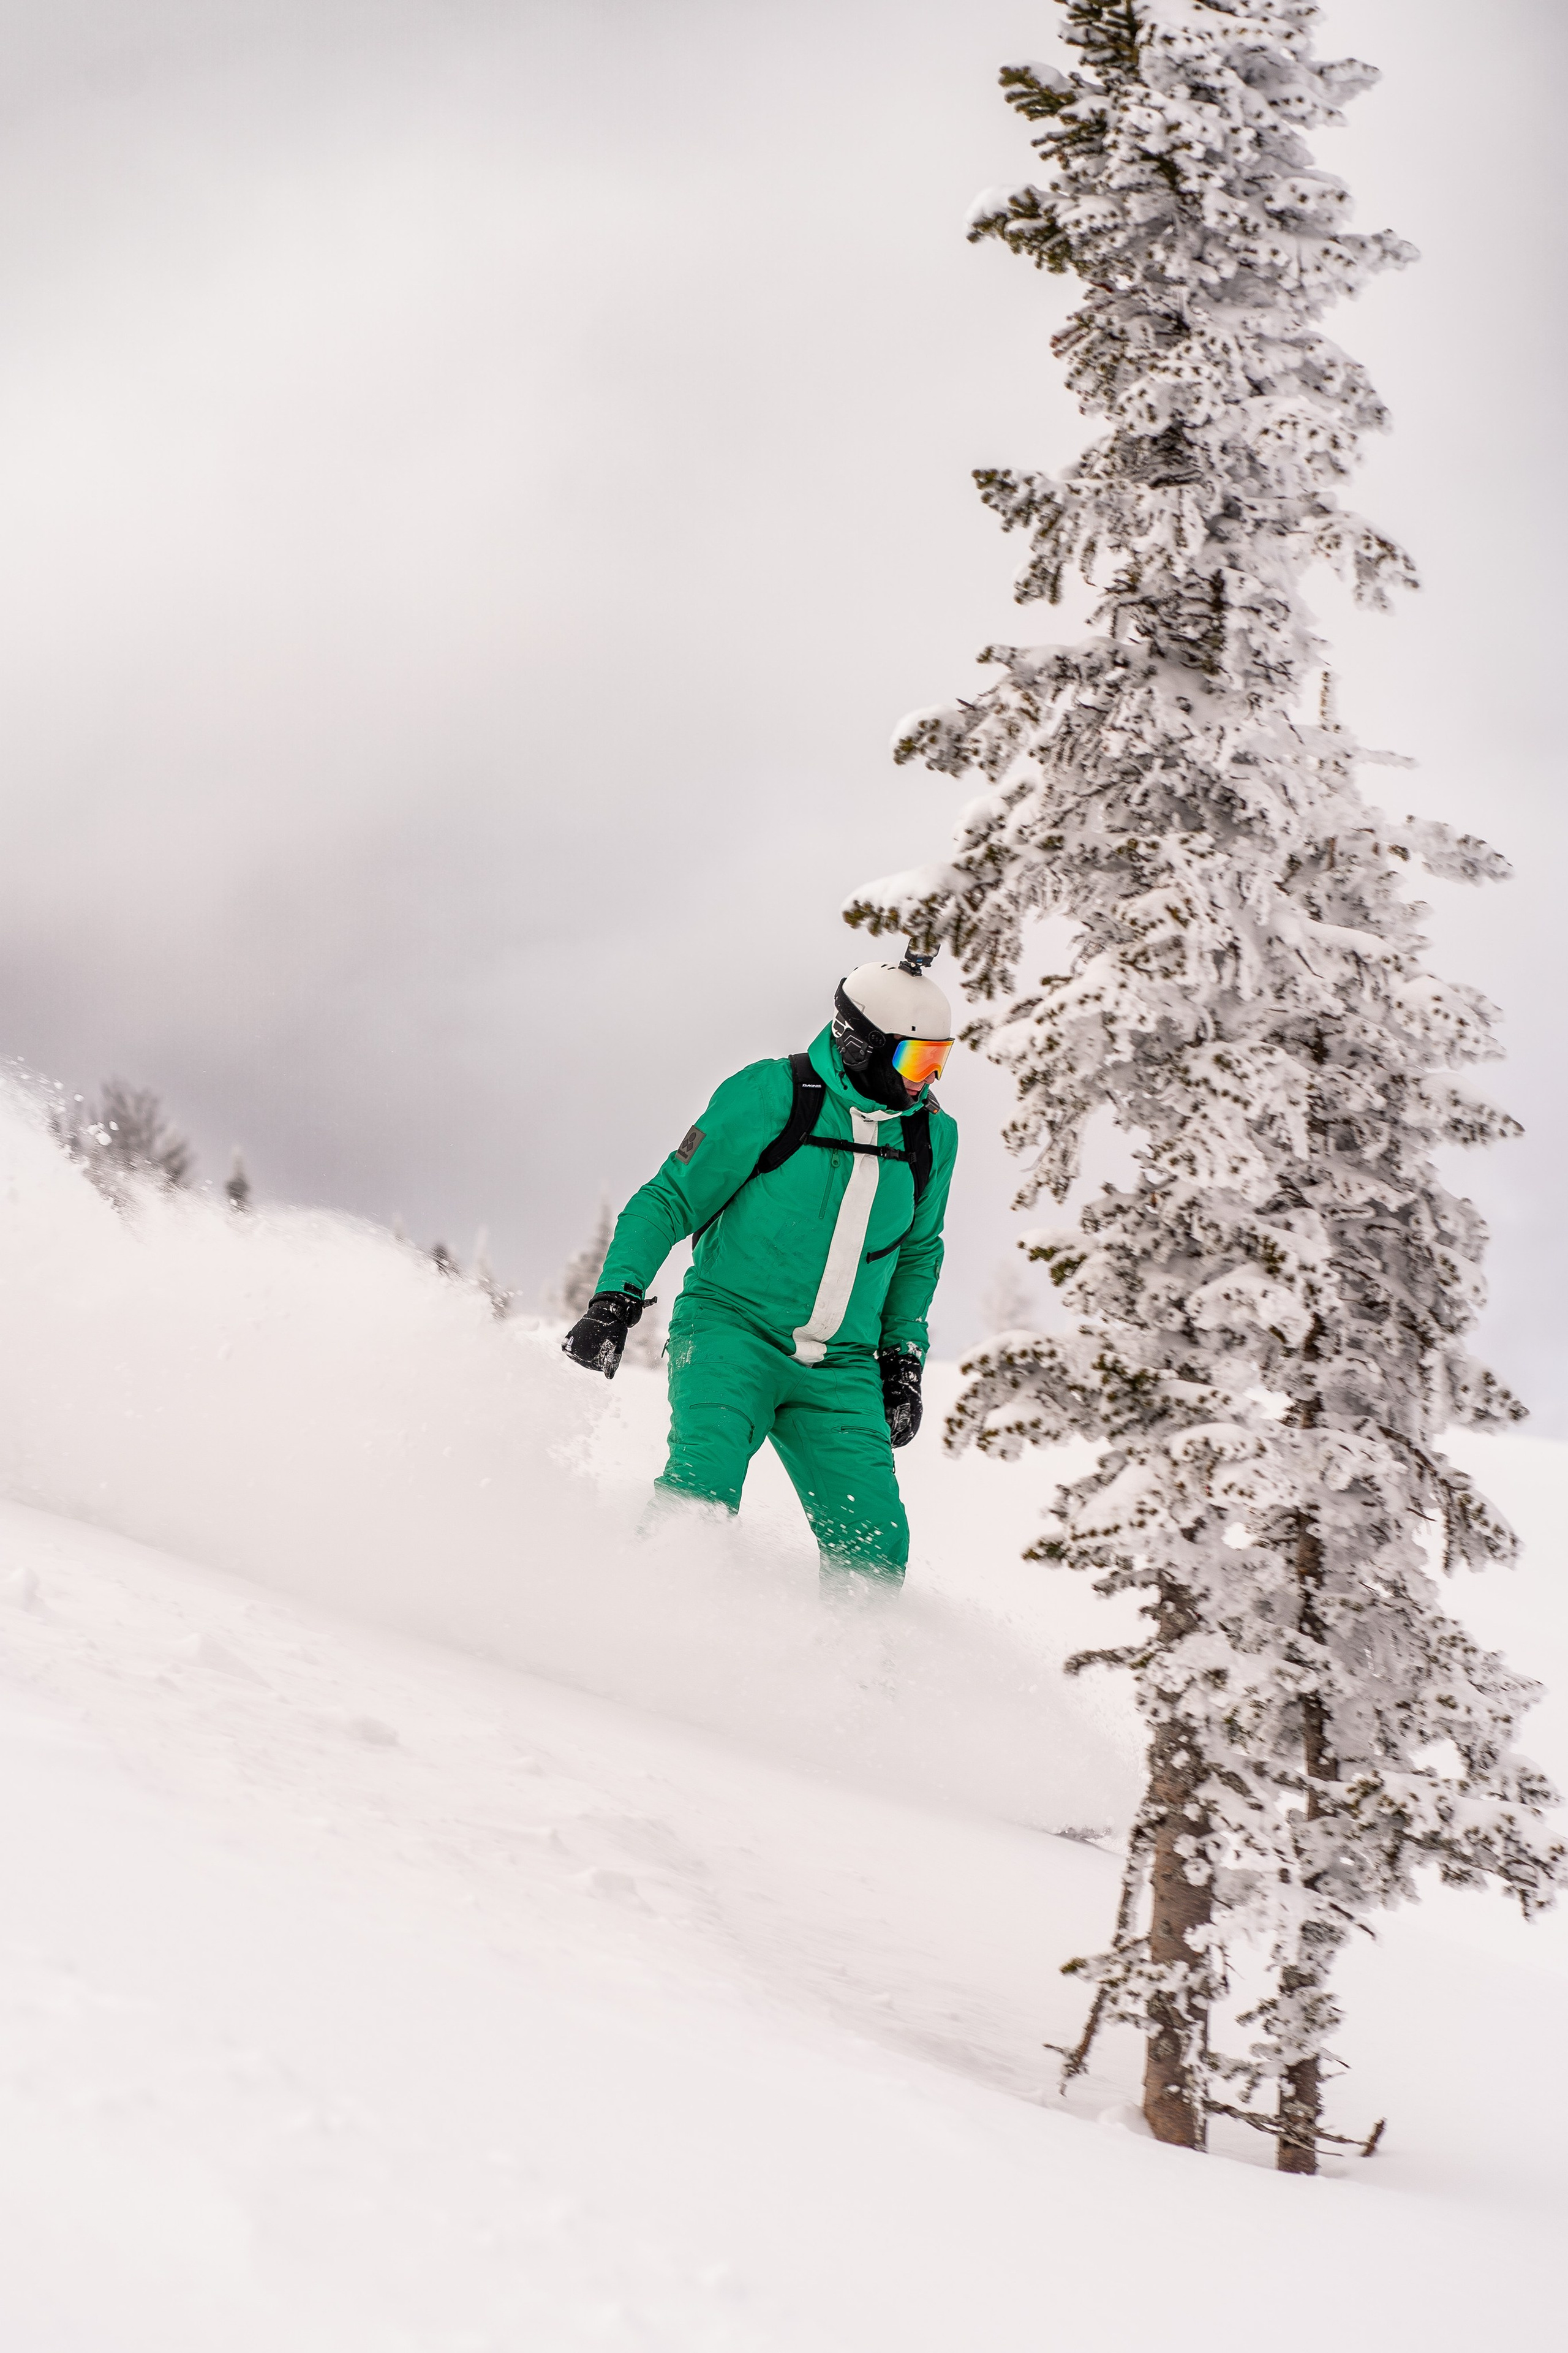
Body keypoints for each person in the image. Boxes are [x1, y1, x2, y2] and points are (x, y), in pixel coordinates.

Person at [562, 950, 959, 1583]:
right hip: (732, 1334)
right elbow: (669, 1197)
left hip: (843, 1366)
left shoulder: (929, 1136)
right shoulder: (773, 1094)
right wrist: (614, 1300)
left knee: (875, 1545)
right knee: (702, 1491)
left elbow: (918, 1251)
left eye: (939, 1058)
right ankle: (640, 1627)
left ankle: (855, 1674)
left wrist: (902, 1360)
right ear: (862, 1046)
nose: (926, 1079)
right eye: (916, 1059)